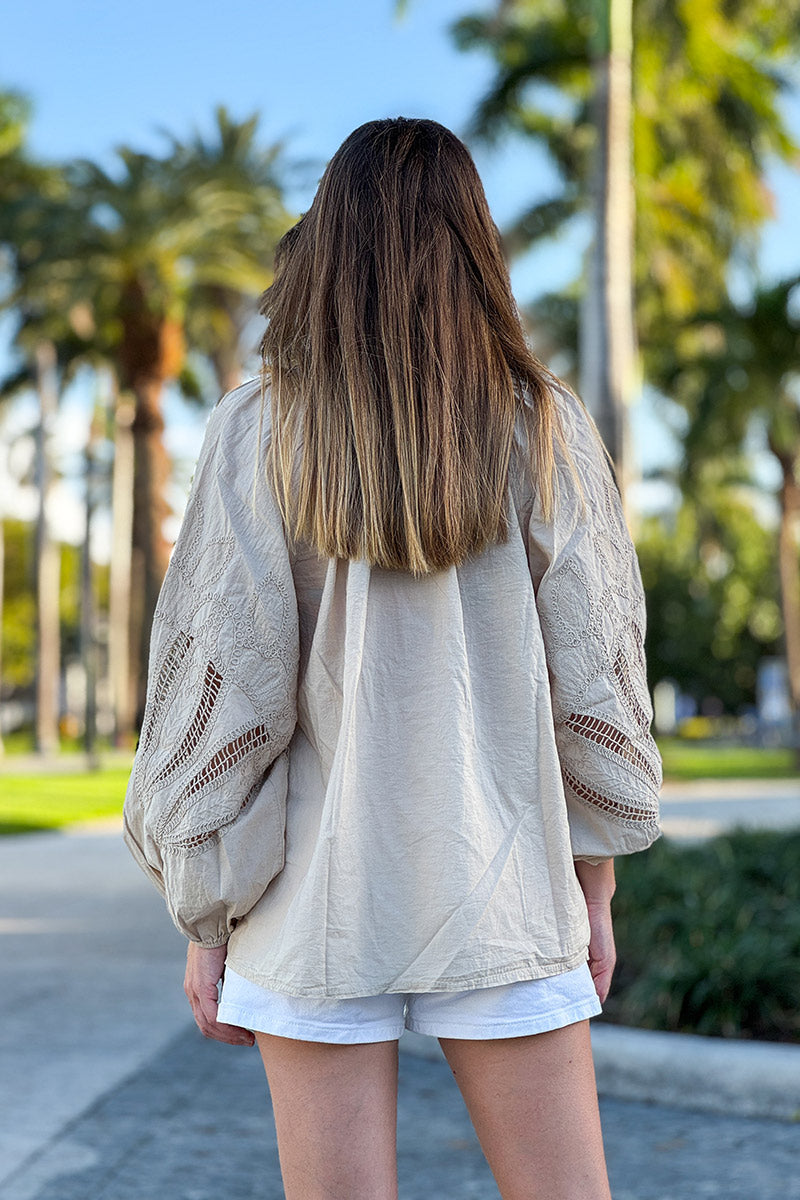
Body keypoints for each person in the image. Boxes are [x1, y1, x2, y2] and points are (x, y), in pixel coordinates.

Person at [124, 116, 662, 1200]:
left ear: (325, 242)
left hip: (310, 909)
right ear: (474, 247)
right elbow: (594, 683)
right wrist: (593, 888)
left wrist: (206, 913)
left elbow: (225, 697)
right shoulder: (544, 427)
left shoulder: (255, 430)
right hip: (506, 895)